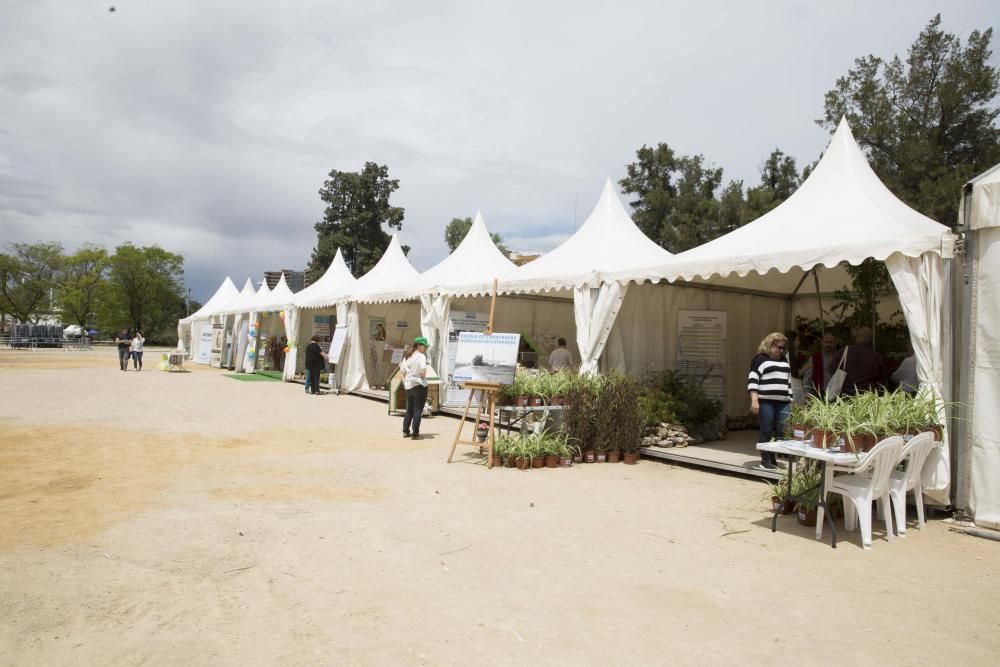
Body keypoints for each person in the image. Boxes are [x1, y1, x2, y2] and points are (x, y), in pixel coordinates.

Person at [748, 332, 793, 470]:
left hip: (783, 401)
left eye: (783, 348)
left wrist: (792, 399)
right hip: (766, 401)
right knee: (766, 429)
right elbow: (753, 380)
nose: (781, 350)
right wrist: (754, 400)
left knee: (782, 430)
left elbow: (789, 381)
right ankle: (765, 459)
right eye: (778, 347)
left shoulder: (784, 360)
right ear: (770, 345)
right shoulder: (760, 359)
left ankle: (773, 457)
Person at [840, 326, 887, 396]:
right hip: (868, 396)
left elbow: (831, 368)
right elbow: (883, 377)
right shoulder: (876, 356)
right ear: (871, 339)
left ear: (857, 337)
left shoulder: (845, 351)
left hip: (846, 394)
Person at [400, 335, 429, 439]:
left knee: (409, 410)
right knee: (417, 410)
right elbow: (423, 371)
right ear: (419, 346)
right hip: (419, 385)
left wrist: (406, 383)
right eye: (424, 346)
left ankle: (405, 431)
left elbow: (402, 372)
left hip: (408, 386)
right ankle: (415, 433)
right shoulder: (421, 356)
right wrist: (422, 377)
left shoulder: (407, 356)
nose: (425, 348)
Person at [802, 332, 839, 397]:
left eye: (831, 342)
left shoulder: (840, 358)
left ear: (835, 343)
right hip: (818, 395)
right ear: (822, 343)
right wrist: (807, 395)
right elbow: (807, 379)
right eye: (826, 342)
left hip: (836, 395)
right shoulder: (814, 358)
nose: (828, 345)